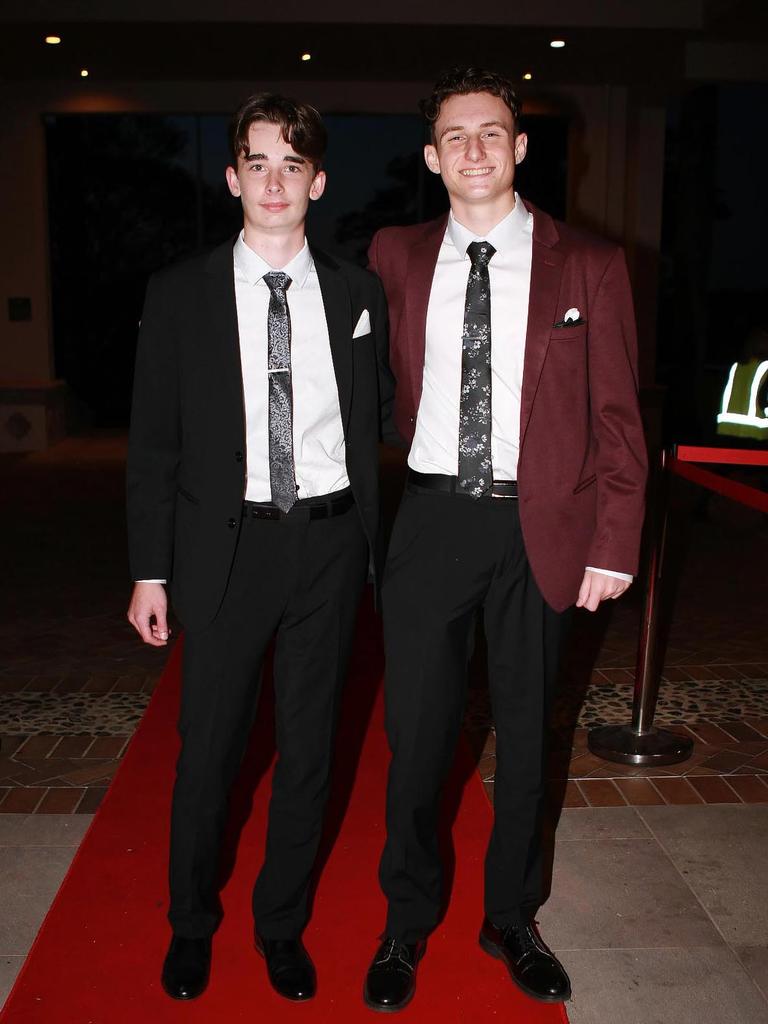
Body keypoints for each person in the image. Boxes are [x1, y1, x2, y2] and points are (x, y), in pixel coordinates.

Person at [363, 67, 647, 1013]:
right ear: (433, 156)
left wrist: (614, 540)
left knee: (528, 739)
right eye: (456, 135)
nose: (475, 149)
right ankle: (406, 920)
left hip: (545, 526)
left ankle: (511, 918)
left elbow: (618, 420)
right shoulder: (394, 256)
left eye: (493, 132)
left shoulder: (592, 265)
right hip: (434, 516)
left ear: (521, 148)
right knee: (419, 737)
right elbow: (364, 397)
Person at [126, 92, 393, 1003]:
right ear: (232, 174)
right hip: (227, 552)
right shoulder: (179, 293)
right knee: (210, 750)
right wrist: (149, 570)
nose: (275, 181)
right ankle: (191, 923)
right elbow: (153, 444)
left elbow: (375, 417)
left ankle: (280, 925)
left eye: (294, 164)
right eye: (259, 162)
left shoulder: (359, 293)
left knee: (312, 749)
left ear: (317, 181)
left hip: (325, 545)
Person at [716, 325, 768, 442]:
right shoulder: (766, 367)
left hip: (728, 430)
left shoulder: (736, 367)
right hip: (757, 434)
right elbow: (765, 401)